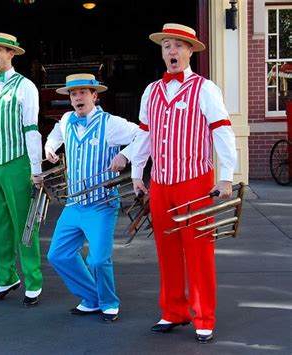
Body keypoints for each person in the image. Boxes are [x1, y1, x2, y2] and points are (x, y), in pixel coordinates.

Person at [119, 23, 237, 342]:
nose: (172, 51)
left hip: (195, 182)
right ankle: (174, 310)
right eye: (167, 45)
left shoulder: (205, 88)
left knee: (198, 250)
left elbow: (222, 131)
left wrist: (226, 176)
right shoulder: (151, 91)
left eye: (178, 46)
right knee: (167, 250)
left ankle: (204, 315)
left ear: (190, 51)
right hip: (160, 183)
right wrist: (136, 173)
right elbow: (145, 135)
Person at [44, 73, 147, 322]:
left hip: (102, 204)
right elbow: (56, 135)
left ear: (94, 96)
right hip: (74, 204)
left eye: (83, 93)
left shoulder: (110, 124)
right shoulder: (67, 119)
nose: (78, 97)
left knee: (99, 260)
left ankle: (109, 302)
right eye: (73, 93)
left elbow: (144, 135)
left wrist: (125, 156)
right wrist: (49, 147)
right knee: (57, 255)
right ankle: (91, 297)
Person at [0, 32, 43, 307]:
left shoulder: (25, 87)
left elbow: (31, 129)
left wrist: (36, 167)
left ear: (11, 54)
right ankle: (5, 276)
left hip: (18, 163)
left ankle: (33, 281)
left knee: (24, 225)